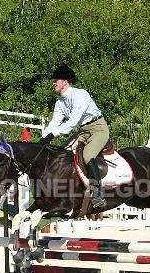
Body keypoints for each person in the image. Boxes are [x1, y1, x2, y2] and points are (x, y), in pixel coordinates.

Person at [40, 65, 108, 208]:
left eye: (56, 80)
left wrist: (52, 134)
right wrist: (43, 138)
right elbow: (54, 123)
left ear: (64, 82)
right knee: (64, 152)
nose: (53, 83)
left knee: (88, 156)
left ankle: (97, 194)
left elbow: (72, 122)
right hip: (84, 131)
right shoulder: (60, 102)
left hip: (99, 129)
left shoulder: (80, 95)